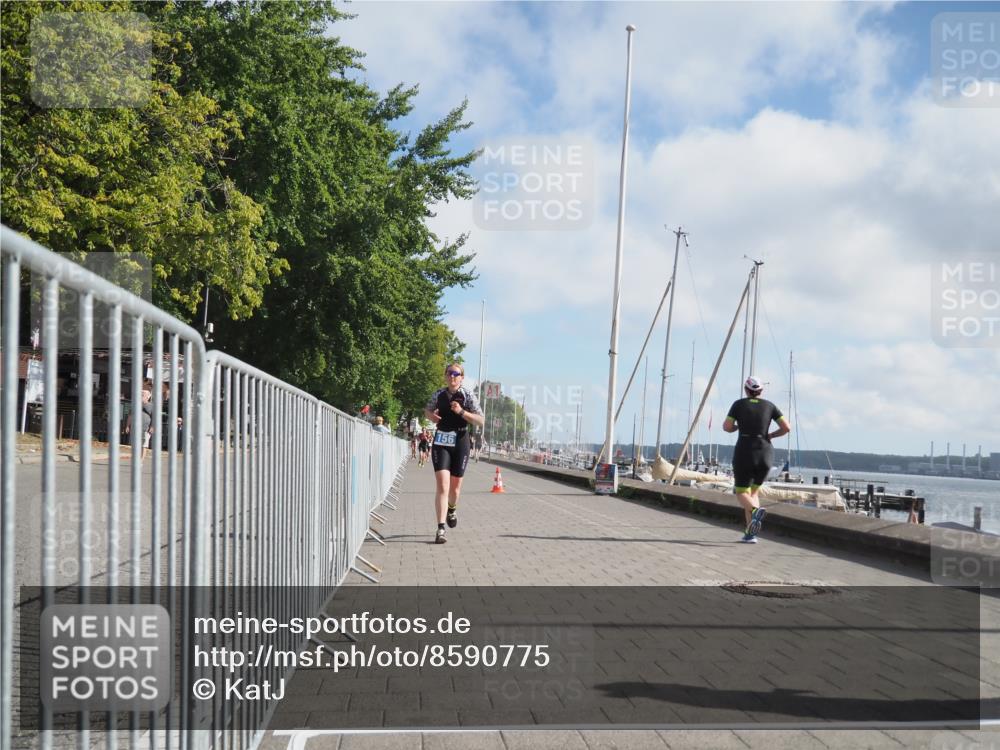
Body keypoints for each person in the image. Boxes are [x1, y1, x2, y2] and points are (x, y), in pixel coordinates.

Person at [722, 376, 791, 543]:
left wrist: (740, 426)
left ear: (746, 390)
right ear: (761, 391)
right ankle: (750, 534)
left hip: (745, 451)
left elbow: (727, 427)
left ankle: (754, 511)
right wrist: (771, 435)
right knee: (753, 492)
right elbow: (786, 427)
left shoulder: (738, 404)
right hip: (766, 453)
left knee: (741, 492)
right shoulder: (770, 406)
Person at [424, 363, 485, 544]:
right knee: (443, 486)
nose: (452, 376)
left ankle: (452, 508)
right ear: (445, 376)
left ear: (462, 377)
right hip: (442, 440)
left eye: (456, 374)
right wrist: (431, 417)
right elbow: (426, 410)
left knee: (455, 487)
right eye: (449, 373)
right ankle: (440, 529)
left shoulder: (468, 396)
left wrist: (462, 412)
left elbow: (481, 420)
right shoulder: (439, 394)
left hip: (460, 440)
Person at [124, 382, 154, 460]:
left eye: (143, 394)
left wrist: (152, 427)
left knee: (144, 445)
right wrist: (127, 425)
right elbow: (130, 415)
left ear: (148, 396)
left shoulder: (151, 405)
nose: (141, 395)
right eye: (141, 394)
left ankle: (141, 460)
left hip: (146, 429)